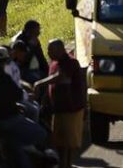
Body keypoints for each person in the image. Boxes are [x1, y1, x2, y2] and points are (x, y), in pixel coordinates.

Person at [0, 45, 52, 168]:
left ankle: (24, 150)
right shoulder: (3, 77)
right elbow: (16, 94)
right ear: (6, 60)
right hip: (9, 118)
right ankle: (31, 150)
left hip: (0, 117)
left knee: (17, 149)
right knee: (41, 134)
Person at [34, 39, 86, 168]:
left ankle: (66, 165)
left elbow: (61, 77)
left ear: (60, 50)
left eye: (50, 50)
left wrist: (39, 83)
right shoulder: (54, 62)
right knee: (59, 143)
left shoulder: (70, 62)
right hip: (58, 109)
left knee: (67, 144)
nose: (48, 52)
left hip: (71, 109)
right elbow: (52, 85)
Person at [12, 20, 49, 84]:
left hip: (29, 68)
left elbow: (41, 58)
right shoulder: (18, 42)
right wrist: (32, 47)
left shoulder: (33, 39)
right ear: (29, 32)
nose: (38, 34)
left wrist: (48, 71)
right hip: (18, 70)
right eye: (37, 32)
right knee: (38, 78)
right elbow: (22, 61)